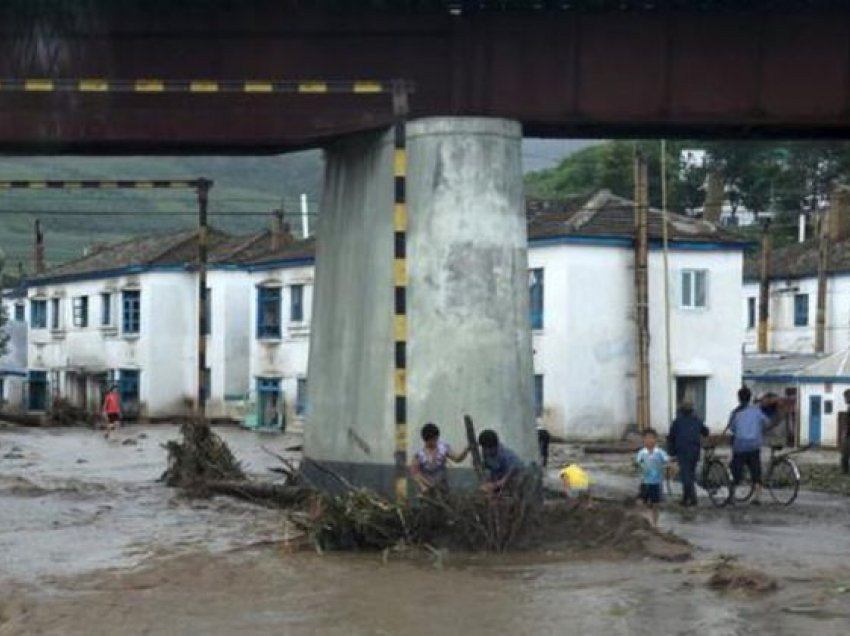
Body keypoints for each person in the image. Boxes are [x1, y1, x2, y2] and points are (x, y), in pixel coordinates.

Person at [727, 386, 770, 505]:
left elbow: (732, 428)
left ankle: (732, 495)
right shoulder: (756, 411)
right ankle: (757, 497)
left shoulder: (735, 413)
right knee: (756, 470)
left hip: (740, 446)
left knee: (736, 470)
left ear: (739, 398)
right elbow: (766, 422)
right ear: (750, 397)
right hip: (754, 445)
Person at [667, 401, 709, 507]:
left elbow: (671, 437)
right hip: (694, 451)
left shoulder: (677, 422)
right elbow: (706, 432)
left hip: (682, 451)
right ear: (692, 411)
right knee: (689, 473)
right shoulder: (697, 420)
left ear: (681, 411)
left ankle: (692, 498)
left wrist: (671, 451)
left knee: (686, 476)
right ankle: (686, 498)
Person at [409, 422, 470, 494]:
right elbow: (415, 473)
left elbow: (457, 459)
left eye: (436, 438)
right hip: (427, 490)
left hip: (443, 488)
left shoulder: (443, 448)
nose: (435, 441)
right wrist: (424, 485)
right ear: (427, 440)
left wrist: (466, 450)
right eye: (433, 439)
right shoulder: (418, 455)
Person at [636, 428, 668, 526]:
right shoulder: (641, 453)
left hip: (656, 482)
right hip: (644, 481)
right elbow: (637, 464)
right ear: (643, 440)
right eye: (646, 438)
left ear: (655, 439)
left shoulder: (660, 452)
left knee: (655, 504)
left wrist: (667, 467)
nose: (649, 441)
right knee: (642, 501)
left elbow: (667, 462)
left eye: (651, 438)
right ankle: (642, 521)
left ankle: (655, 523)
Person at [478, 429, 523, 493]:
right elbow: (486, 468)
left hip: (512, 485)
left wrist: (495, 485)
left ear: (494, 446)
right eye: (483, 448)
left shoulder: (509, 457)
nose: (485, 451)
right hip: (497, 485)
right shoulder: (486, 455)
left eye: (486, 449)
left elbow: (509, 477)